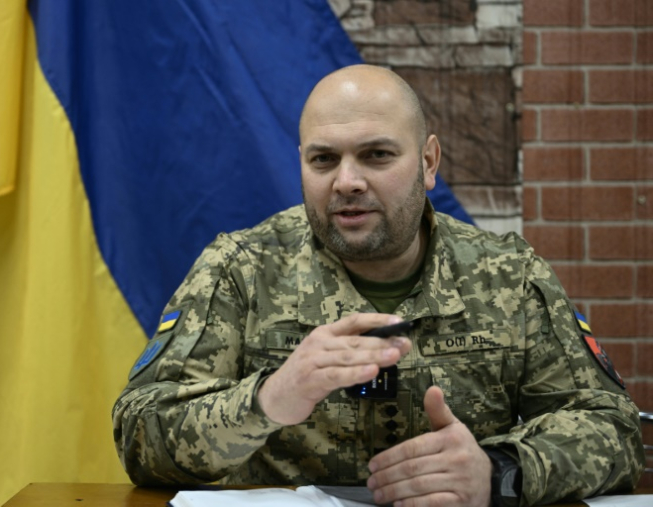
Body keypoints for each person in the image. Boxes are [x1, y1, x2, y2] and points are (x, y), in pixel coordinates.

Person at [113, 64, 644, 506]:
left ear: (428, 162)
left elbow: (614, 431)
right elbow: (139, 434)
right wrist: (269, 398)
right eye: (324, 159)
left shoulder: (508, 274)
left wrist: (499, 471)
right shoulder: (242, 270)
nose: (346, 181)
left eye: (376, 155)